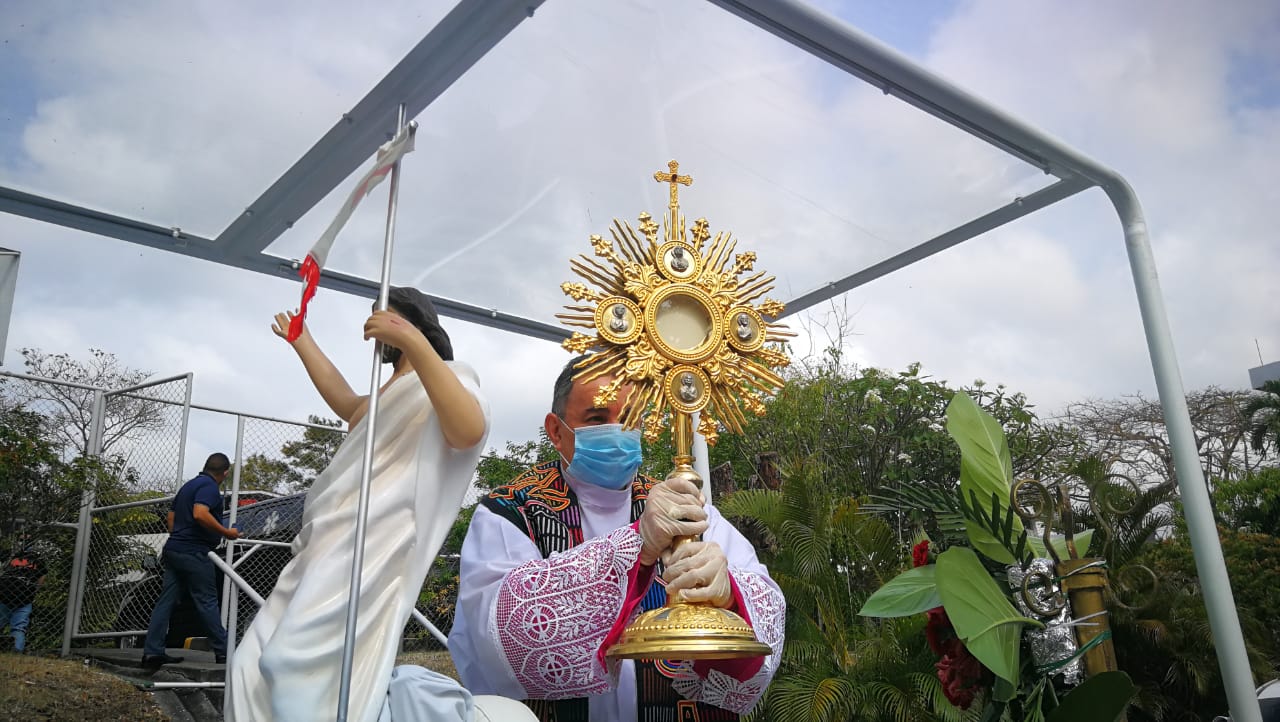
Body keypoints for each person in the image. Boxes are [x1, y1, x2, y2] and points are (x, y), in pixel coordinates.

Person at [449, 355, 786, 722]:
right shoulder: (510, 513)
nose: (616, 432)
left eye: (628, 419)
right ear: (556, 431)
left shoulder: (689, 509)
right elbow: (500, 643)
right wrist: (635, 547)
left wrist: (730, 597)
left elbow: (765, 631)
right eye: (596, 419)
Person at [228, 287, 490, 722]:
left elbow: (467, 429)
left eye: (385, 314)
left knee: (291, 660)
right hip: (325, 537)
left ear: (412, 321)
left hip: (373, 543)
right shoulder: (387, 392)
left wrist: (413, 342)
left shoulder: (447, 380)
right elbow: (348, 404)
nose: (374, 323)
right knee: (248, 664)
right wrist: (302, 341)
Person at [142, 453, 240, 668]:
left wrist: (179, 536)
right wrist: (227, 533)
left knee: (166, 601)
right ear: (225, 473)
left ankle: (152, 651)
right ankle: (225, 652)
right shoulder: (210, 488)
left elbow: (171, 517)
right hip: (193, 552)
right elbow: (200, 513)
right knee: (206, 600)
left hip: (174, 549)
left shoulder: (189, 486)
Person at [0, 534, 46, 653]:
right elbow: (41, 578)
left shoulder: (10, 555)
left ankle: (16, 649)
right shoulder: (37, 559)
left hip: (5, 595)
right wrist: (33, 591)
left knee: (7, 620)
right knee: (19, 627)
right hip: (24, 597)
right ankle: (16, 650)